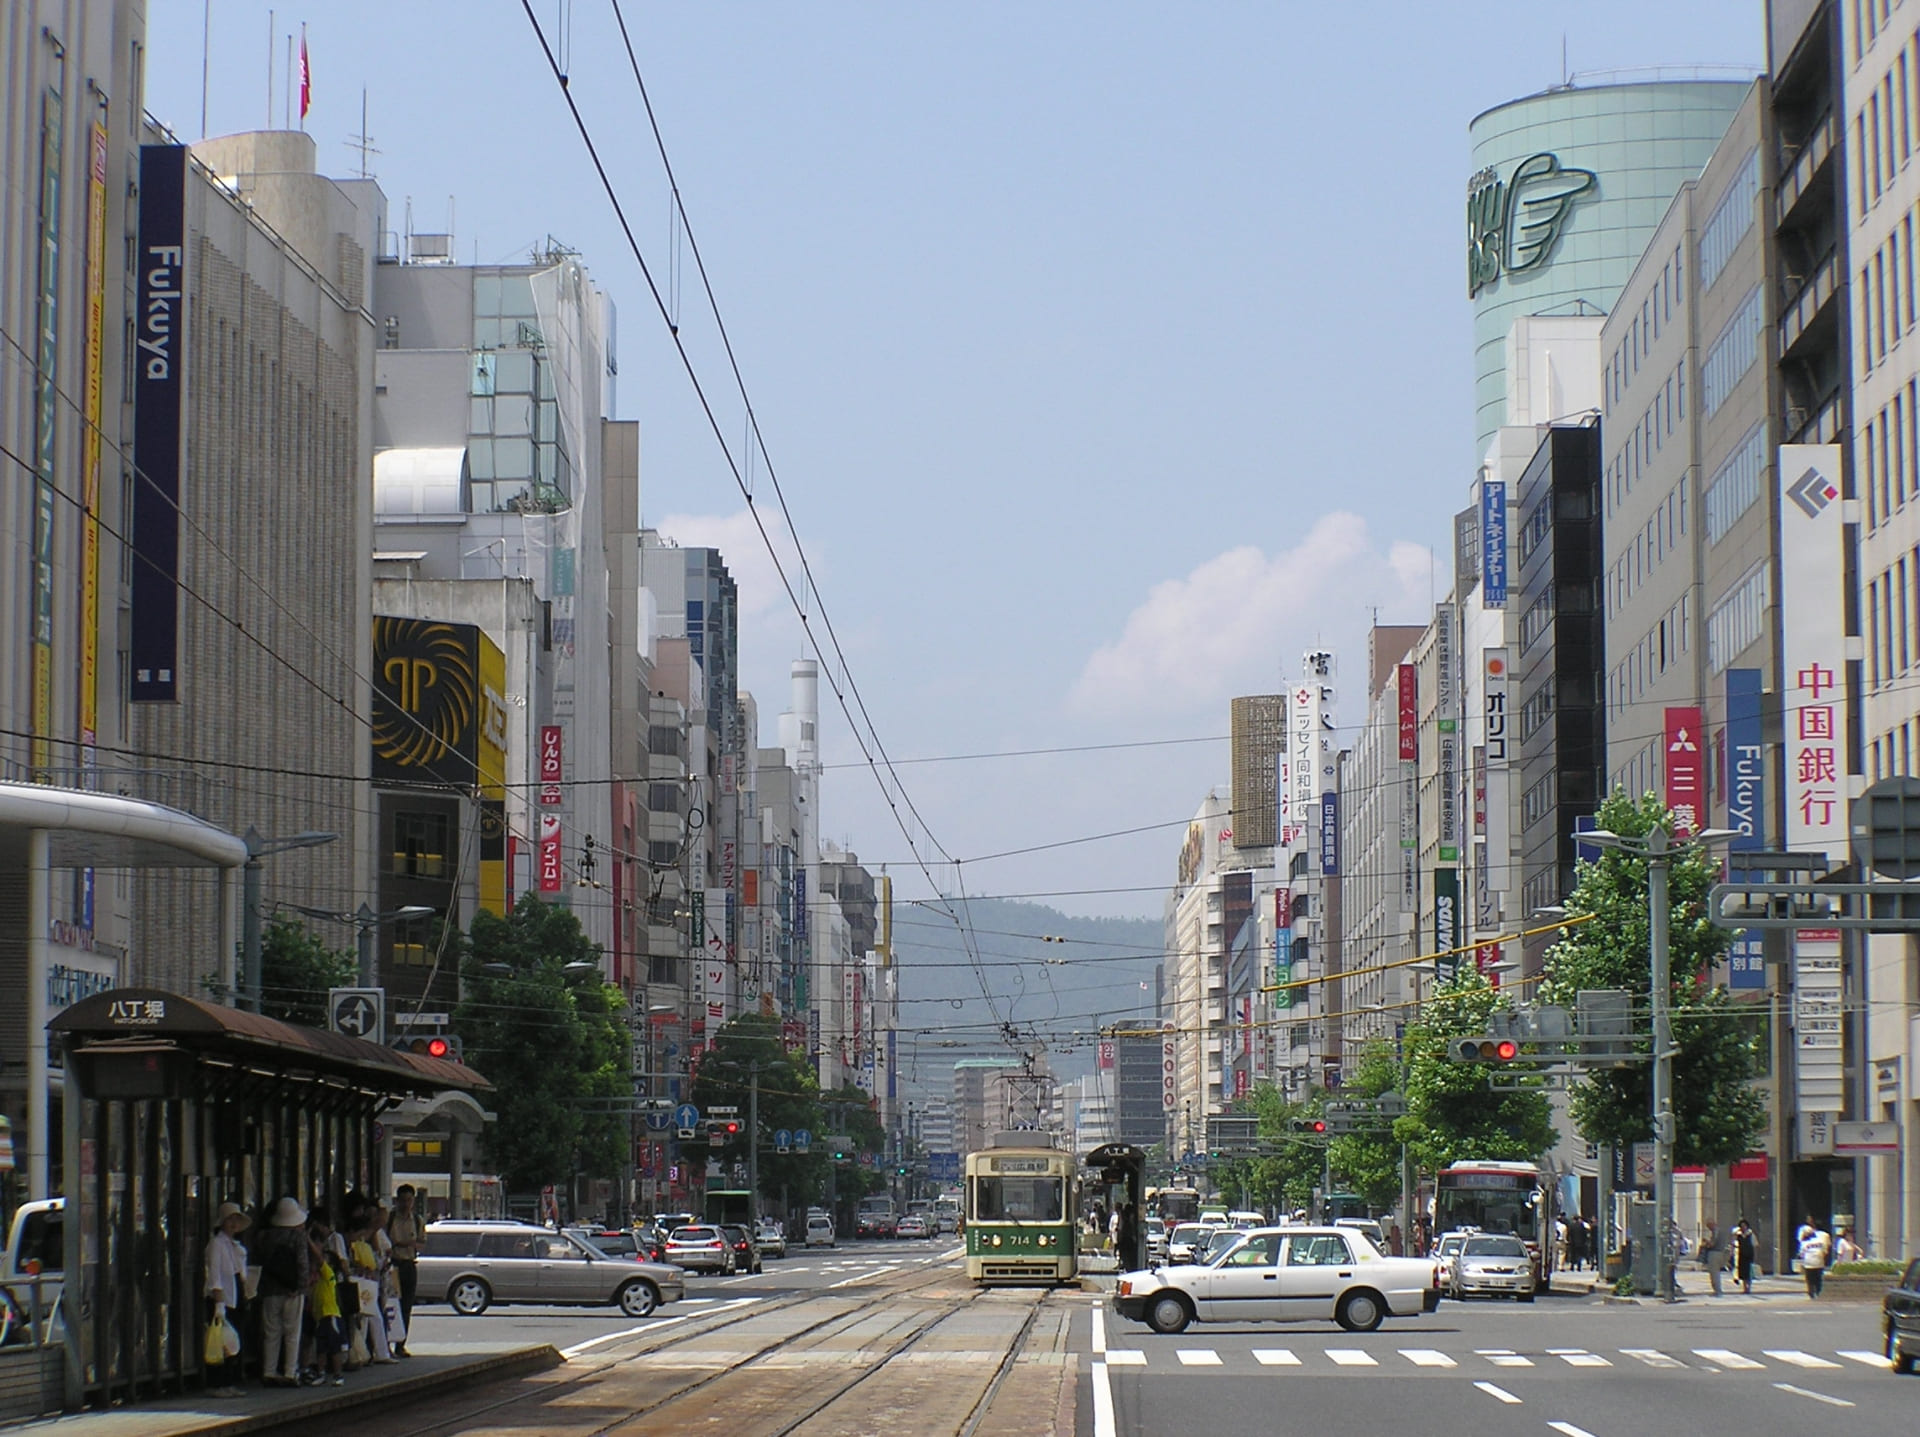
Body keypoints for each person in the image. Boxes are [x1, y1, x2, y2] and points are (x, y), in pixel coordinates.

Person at [254, 1197, 311, 1386]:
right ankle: (290, 1371)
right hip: (292, 1290)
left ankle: (269, 1371)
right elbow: (302, 1263)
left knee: (271, 1332)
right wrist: (301, 1287)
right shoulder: (298, 1236)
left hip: (270, 1290)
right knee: (292, 1332)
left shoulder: (265, 1237)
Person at [203, 1201, 251, 1397]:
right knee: (219, 1341)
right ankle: (216, 1384)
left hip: (235, 1296)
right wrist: (219, 1303)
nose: (233, 1223)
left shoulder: (235, 1246)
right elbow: (214, 1275)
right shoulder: (216, 1244)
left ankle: (229, 1382)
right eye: (229, 1219)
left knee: (232, 1342)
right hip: (221, 1298)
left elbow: (240, 1273)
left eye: (236, 1219)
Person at [388, 1187, 422, 1358]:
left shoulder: (417, 1220)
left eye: (409, 1200)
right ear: (397, 1200)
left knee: (406, 1307)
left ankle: (401, 1345)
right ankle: (386, 1344)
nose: (406, 1204)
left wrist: (408, 1244)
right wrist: (404, 1243)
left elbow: (421, 1243)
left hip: (409, 1264)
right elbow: (387, 1242)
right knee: (391, 1304)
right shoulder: (390, 1218)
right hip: (393, 1265)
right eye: (403, 1200)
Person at [1796, 1215, 1831, 1298]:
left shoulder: (1805, 1242)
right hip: (1818, 1262)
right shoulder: (1820, 1239)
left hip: (1809, 1262)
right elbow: (1825, 1249)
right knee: (1818, 1278)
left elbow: (1801, 1253)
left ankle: (1812, 1292)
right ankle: (1817, 1292)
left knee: (1810, 1279)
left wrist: (1801, 1257)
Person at [1697, 1221, 1725, 1297]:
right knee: (1715, 1273)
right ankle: (1717, 1290)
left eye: (1709, 1226)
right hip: (1719, 1253)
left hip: (1714, 1253)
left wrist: (1706, 1242)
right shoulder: (1719, 1231)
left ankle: (1718, 1291)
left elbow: (1712, 1244)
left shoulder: (1716, 1232)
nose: (1709, 1228)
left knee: (1714, 1273)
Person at [1732, 1218, 1758, 1296]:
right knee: (1743, 1272)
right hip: (1741, 1255)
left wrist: (1755, 1256)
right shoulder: (1738, 1235)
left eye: (1744, 1226)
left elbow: (1755, 1245)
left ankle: (1748, 1288)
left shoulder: (1751, 1234)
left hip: (1749, 1255)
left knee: (1749, 1272)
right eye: (1741, 1226)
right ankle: (1744, 1288)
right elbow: (1733, 1243)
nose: (1743, 1227)